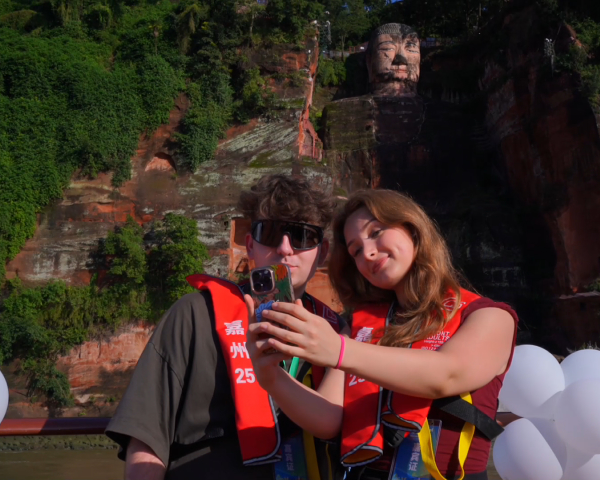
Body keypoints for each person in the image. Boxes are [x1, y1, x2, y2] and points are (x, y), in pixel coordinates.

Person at [247, 189, 518, 480]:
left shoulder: (490, 317)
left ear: (413, 228)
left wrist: (339, 350)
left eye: (376, 232)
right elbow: (328, 419)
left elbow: (447, 374)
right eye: (355, 251)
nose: (368, 253)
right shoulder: (359, 326)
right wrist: (271, 377)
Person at [106, 174, 346, 480]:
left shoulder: (337, 334)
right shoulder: (194, 314)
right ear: (250, 245)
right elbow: (146, 437)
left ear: (322, 252)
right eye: (270, 232)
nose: (285, 248)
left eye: (302, 236)